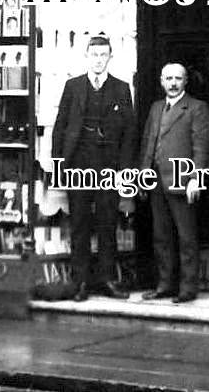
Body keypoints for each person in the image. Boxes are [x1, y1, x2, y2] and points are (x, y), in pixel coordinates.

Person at [50, 36, 137, 301]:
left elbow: (130, 133)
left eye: (103, 55)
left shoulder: (121, 88)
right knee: (79, 224)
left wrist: (124, 171)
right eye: (94, 54)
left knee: (107, 223)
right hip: (78, 164)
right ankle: (81, 283)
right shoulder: (73, 86)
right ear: (86, 56)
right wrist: (58, 166)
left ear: (111, 57)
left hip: (109, 166)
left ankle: (107, 279)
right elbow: (60, 128)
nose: (98, 60)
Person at [138, 63, 209, 304]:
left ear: (185, 81)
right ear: (161, 81)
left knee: (186, 237)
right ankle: (165, 284)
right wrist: (142, 175)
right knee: (161, 236)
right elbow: (149, 142)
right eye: (168, 78)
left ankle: (187, 288)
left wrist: (196, 179)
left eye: (177, 79)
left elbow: (201, 147)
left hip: (182, 180)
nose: (173, 83)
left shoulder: (197, 107)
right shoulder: (156, 107)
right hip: (156, 180)